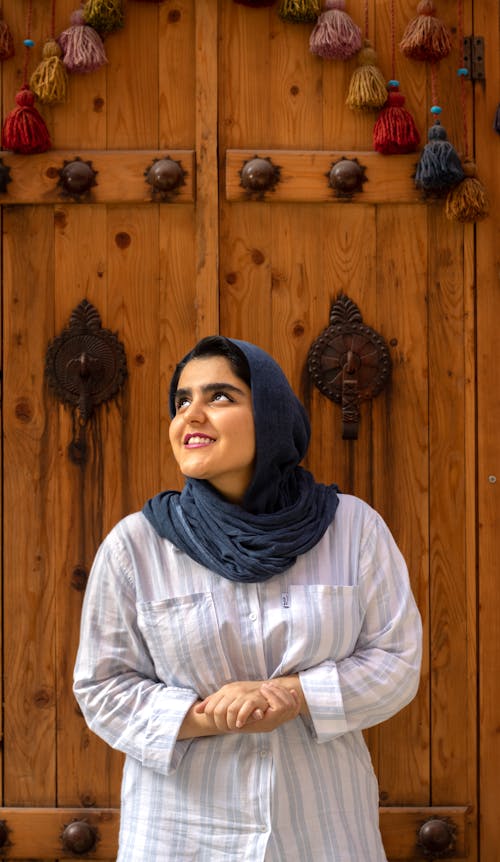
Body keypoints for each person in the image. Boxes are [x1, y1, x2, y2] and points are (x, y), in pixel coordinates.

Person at [73, 335, 422, 862]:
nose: (191, 415)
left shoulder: (352, 529)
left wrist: (293, 695)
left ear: (273, 414)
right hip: (181, 836)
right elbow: (102, 687)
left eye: (219, 397)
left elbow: (396, 662)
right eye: (181, 400)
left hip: (321, 831)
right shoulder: (137, 546)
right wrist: (211, 716)